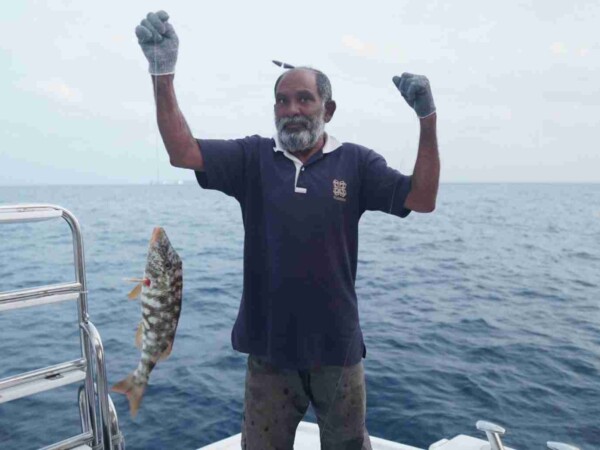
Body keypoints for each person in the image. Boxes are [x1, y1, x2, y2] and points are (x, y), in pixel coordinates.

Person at [135, 10, 439, 450]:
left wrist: (427, 119)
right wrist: (162, 72)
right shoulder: (253, 158)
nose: (292, 110)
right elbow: (183, 152)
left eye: (304, 99)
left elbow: (422, 200)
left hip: (338, 349)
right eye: (282, 100)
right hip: (269, 352)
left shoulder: (356, 163)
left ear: (327, 109)